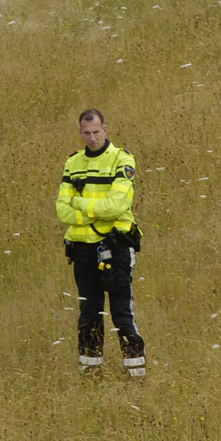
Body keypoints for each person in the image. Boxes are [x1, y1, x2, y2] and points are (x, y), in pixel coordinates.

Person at [57, 108, 146, 376]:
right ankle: (90, 373)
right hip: (82, 248)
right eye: (87, 133)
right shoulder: (73, 163)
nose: (92, 138)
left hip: (115, 245)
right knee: (89, 311)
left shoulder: (122, 159)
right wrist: (96, 210)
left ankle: (135, 372)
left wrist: (80, 204)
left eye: (96, 132)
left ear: (105, 130)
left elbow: (118, 205)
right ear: (80, 132)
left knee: (121, 311)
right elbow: (62, 210)